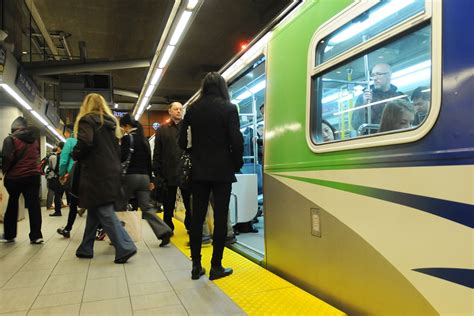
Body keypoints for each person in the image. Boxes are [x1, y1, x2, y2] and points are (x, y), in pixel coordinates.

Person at [179, 72, 244, 280]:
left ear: (204, 87)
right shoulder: (229, 108)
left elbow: (182, 142)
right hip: (222, 171)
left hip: (198, 172)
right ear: (222, 87)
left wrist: (196, 153)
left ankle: (196, 266)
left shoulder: (192, 109)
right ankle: (216, 266)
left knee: (197, 219)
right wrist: (236, 163)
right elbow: (237, 140)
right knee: (220, 216)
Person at [73, 93, 137, 263]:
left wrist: (76, 154)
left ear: (86, 105)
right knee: (95, 208)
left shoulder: (87, 120)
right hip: (112, 169)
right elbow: (117, 150)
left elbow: (86, 142)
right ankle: (86, 248)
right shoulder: (111, 124)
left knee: (103, 209)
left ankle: (125, 246)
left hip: (96, 171)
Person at [119, 114, 172, 247]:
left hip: (130, 177)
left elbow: (122, 158)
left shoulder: (127, 138)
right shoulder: (144, 139)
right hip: (144, 178)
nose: (123, 130)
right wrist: (150, 179)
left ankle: (118, 235)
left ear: (126, 126)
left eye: (123, 127)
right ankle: (164, 231)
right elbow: (149, 160)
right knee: (146, 207)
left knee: (118, 206)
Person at [1, 117, 43, 244]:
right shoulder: (34, 140)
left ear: (14, 129)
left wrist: (4, 171)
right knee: (34, 206)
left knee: (13, 204)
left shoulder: (10, 139)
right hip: (33, 176)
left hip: (16, 177)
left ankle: (9, 235)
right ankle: (36, 236)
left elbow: (7, 158)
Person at [153, 102, 193, 234]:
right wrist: (157, 172)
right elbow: (157, 152)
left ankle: (190, 224)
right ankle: (167, 228)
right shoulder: (161, 130)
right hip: (167, 172)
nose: (179, 111)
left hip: (186, 172)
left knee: (188, 201)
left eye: (181, 109)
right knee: (168, 202)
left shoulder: (188, 128)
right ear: (169, 111)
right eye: (176, 109)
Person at [351, 63, 404, 133]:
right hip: (373, 139)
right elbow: (356, 125)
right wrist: (364, 106)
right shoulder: (365, 97)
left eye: (379, 74)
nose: (375, 78)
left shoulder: (399, 98)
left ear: (389, 75)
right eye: (373, 75)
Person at [56, 130, 79, 238]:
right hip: (90, 176)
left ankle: (67, 229)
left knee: (73, 203)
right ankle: (100, 229)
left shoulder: (70, 141)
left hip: (74, 174)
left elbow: (64, 160)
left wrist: (62, 174)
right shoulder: (92, 139)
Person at [47, 142, 65, 217]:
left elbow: (50, 167)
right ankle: (58, 209)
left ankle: (57, 211)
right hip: (62, 177)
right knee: (59, 194)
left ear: (58, 147)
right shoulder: (64, 156)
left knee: (56, 194)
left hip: (54, 177)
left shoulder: (52, 157)